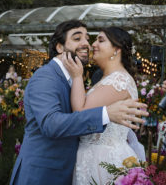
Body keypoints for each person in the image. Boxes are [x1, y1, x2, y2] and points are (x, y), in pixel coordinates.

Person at [10, 20, 148, 185]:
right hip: (43, 174)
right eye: (77, 38)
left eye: (87, 38)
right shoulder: (45, 77)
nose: (87, 44)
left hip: (83, 168)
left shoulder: (74, 79)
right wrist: (105, 114)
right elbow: (51, 124)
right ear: (60, 48)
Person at [61, 26, 144, 184]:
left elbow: (81, 111)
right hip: (92, 157)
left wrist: (77, 76)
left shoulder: (119, 80)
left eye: (101, 40)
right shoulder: (108, 79)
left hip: (105, 161)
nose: (93, 44)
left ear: (116, 49)